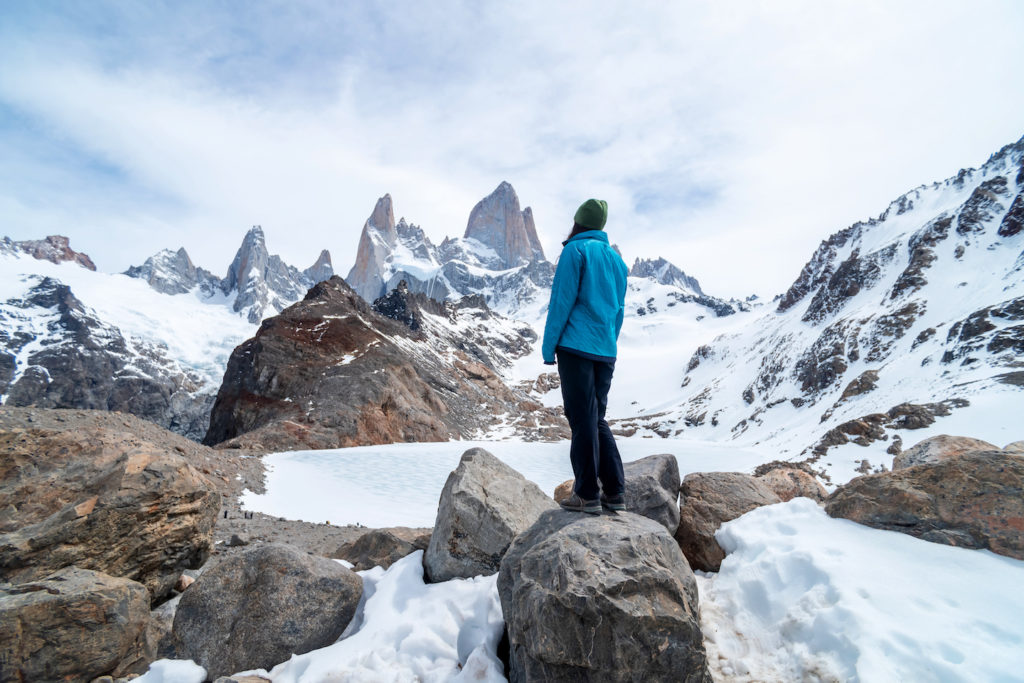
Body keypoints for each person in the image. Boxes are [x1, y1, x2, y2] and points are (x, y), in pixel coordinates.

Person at [542, 198, 629, 514]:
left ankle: (587, 494)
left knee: (581, 420)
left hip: (576, 348)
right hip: (605, 351)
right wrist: (609, 344)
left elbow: (561, 303)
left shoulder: (574, 251)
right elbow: (618, 313)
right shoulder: (618, 262)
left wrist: (549, 346)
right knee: (596, 418)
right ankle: (615, 492)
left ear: (578, 221)